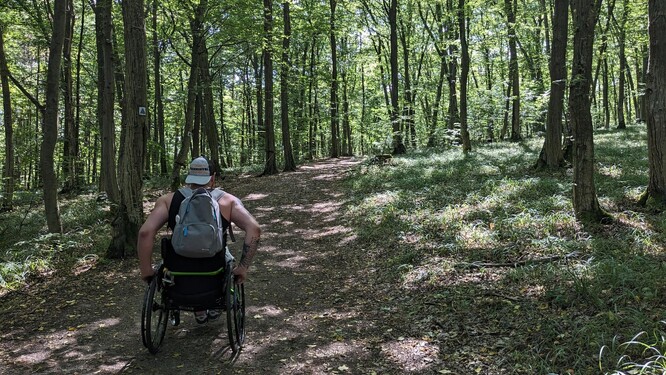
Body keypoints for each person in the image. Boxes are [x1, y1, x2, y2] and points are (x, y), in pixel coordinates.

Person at [137, 156, 261, 323]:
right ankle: (208, 304)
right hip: (213, 269)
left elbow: (145, 233)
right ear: (212, 178)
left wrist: (146, 271)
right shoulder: (227, 201)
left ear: (189, 177)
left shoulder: (168, 201)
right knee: (225, 257)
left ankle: (199, 310)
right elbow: (254, 229)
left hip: (177, 271)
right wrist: (243, 267)